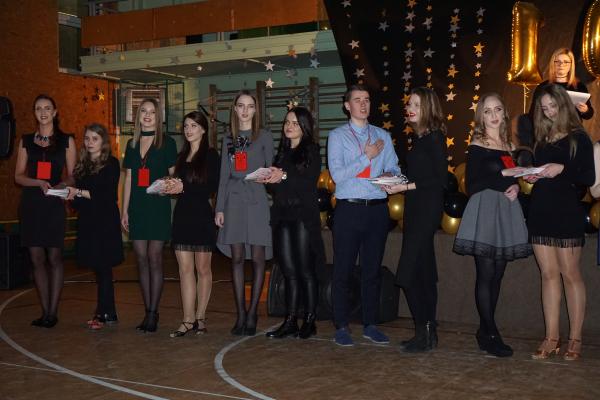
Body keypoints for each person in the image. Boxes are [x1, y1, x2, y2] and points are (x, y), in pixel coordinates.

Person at [452, 93, 532, 357]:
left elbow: (510, 179)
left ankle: (484, 331)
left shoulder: (509, 145)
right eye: (487, 111)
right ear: (481, 117)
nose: (493, 115)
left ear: (504, 113)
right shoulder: (478, 144)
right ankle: (491, 332)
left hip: (505, 210)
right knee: (486, 274)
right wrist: (503, 174)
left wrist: (515, 187)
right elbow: (473, 184)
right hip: (485, 210)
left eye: (497, 109)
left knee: (497, 274)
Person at [525, 84, 594, 361]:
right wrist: (534, 175)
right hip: (541, 209)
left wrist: (562, 169)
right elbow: (544, 171)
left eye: (553, 106)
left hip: (566, 210)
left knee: (570, 274)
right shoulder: (542, 138)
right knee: (548, 274)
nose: (549, 112)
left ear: (563, 104)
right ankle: (551, 337)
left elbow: (588, 177)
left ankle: (575, 338)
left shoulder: (579, 137)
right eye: (544, 108)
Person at [328, 84, 401, 347]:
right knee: (343, 270)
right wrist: (366, 157)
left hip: (377, 210)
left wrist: (391, 177)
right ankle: (341, 325)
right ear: (347, 105)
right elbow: (338, 175)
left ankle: (370, 324)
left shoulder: (383, 135)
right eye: (357, 100)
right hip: (349, 209)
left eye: (367, 99)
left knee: (372, 270)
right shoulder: (337, 136)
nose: (363, 104)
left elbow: (394, 167)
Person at [384, 87, 447, 352]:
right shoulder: (419, 139)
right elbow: (419, 175)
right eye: (409, 103)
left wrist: (404, 187)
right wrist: (395, 179)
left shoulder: (434, 137)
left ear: (428, 108)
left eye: (416, 105)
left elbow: (440, 180)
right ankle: (426, 333)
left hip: (426, 211)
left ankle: (426, 329)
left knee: (407, 274)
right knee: (423, 272)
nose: (410, 108)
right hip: (415, 210)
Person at [215, 90, 273, 336]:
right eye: (241, 105)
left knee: (258, 258)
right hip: (234, 201)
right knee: (237, 258)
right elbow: (223, 176)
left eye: (250, 106)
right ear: (235, 109)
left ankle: (253, 313)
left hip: (257, 200)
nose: (245, 110)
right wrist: (219, 207)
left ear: (256, 110)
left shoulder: (265, 136)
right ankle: (240, 313)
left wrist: (266, 176)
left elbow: (272, 171)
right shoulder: (228, 138)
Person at [14, 94, 76, 328]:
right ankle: (45, 312)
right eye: (38, 108)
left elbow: (73, 175)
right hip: (31, 204)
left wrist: (60, 185)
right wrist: (37, 182)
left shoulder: (67, 140)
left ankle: (53, 312)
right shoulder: (25, 141)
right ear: (34, 113)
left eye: (47, 108)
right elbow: (18, 176)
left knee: (55, 257)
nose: (43, 112)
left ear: (55, 112)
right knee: (36, 258)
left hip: (54, 203)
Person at [264, 107, 325, 339]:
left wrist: (283, 176)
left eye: (295, 123)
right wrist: (268, 178)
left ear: (304, 127)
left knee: (305, 270)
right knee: (288, 271)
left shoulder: (311, 151)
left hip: (302, 217)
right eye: (287, 122)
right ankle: (290, 320)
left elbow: (307, 182)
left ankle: (309, 319)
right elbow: (274, 188)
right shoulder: (281, 153)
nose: (289, 126)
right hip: (282, 215)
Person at [122, 98, 177, 332]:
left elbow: (174, 176)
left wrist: (166, 185)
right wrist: (124, 210)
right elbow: (129, 178)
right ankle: (147, 311)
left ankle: (154, 313)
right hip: (137, 207)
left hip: (157, 206)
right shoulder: (131, 144)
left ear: (158, 116)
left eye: (152, 112)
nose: (147, 115)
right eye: (143, 111)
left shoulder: (167, 142)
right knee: (141, 258)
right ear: (138, 116)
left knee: (155, 257)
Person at [163, 111, 219, 337]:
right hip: (183, 216)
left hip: (202, 216)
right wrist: (168, 186)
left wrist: (184, 187)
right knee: (184, 270)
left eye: (193, 126)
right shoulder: (181, 156)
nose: (188, 130)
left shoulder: (211, 155)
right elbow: (178, 185)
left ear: (203, 129)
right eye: (186, 126)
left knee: (203, 269)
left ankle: (200, 317)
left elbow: (211, 187)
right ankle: (187, 320)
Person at [66, 124, 123, 330]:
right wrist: (70, 196)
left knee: (104, 268)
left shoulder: (111, 164)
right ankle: (107, 312)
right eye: (87, 138)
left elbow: (107, 196)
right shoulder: (82, 165)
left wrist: (79, 192)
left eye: (95, 139)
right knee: (99, 270)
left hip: (105, 221)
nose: (90, 142)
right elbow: (79, 202)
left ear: (103, 142)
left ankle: (105, 313)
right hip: (89, 222)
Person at [517, 48, 594, 155]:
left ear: (571, 65)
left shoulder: (579, 86)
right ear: (553, 64)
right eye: (558, 61)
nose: (561, 65)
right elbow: (533, 114)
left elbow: (589, 114)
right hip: (549, 135)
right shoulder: (543, 87)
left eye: (566, 62)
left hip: (572, 136)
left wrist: (585, 110)